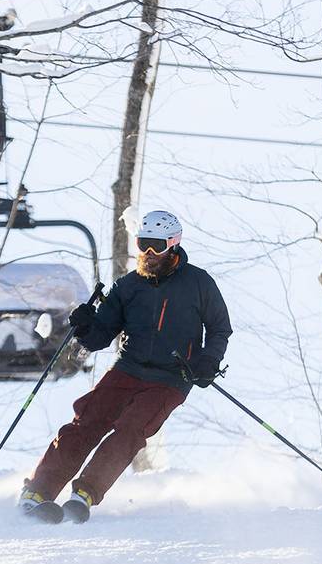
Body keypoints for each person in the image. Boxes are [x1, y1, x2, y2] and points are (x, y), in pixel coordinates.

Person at [19, 209, 231, 523]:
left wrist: (208, 361)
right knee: (87, 421)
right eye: (142, 243)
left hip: (171, 377)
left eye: (156, 245)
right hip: (128, 369)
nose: (148, 253)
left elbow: (219, 328)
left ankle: (84, 494)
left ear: (172, 245)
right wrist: (85, 326)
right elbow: (100, 336)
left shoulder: (198, 283)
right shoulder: (129, 286)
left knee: (130, 429)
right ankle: (38, 492)